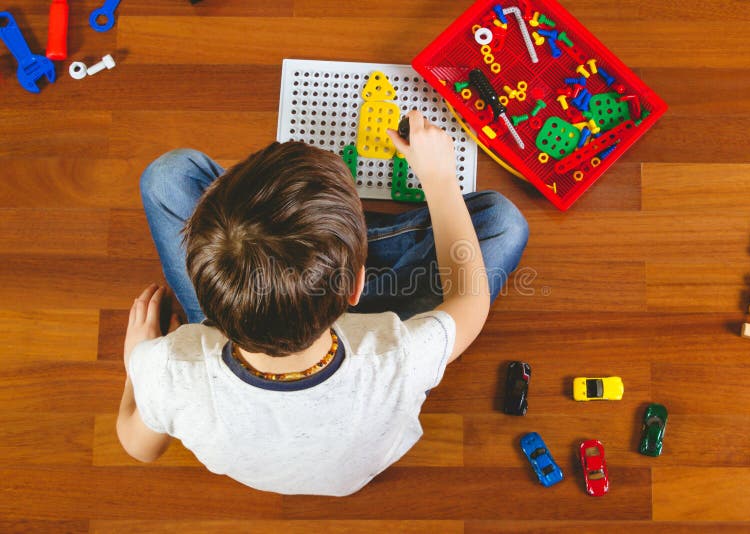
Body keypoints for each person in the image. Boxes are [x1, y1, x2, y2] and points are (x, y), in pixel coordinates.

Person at [117, 110, 529, 496]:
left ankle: (320, 254)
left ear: (201, 285)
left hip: (249, 308)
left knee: (169, 176)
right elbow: (470, 301)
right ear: (356, 288)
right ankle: (333, 254)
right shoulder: (399, 356)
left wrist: (136, 362)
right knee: (502, 222)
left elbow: (139, 447)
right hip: (348, 323)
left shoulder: (170, 367)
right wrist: (440, 180)